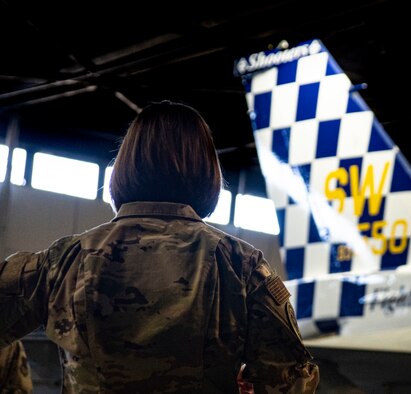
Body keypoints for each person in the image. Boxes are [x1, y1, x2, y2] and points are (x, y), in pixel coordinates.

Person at [0, 100, 319, 393]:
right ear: (207, 172)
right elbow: (292, 380)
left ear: (126, 166)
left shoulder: (61, 260)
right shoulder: (242, 265)